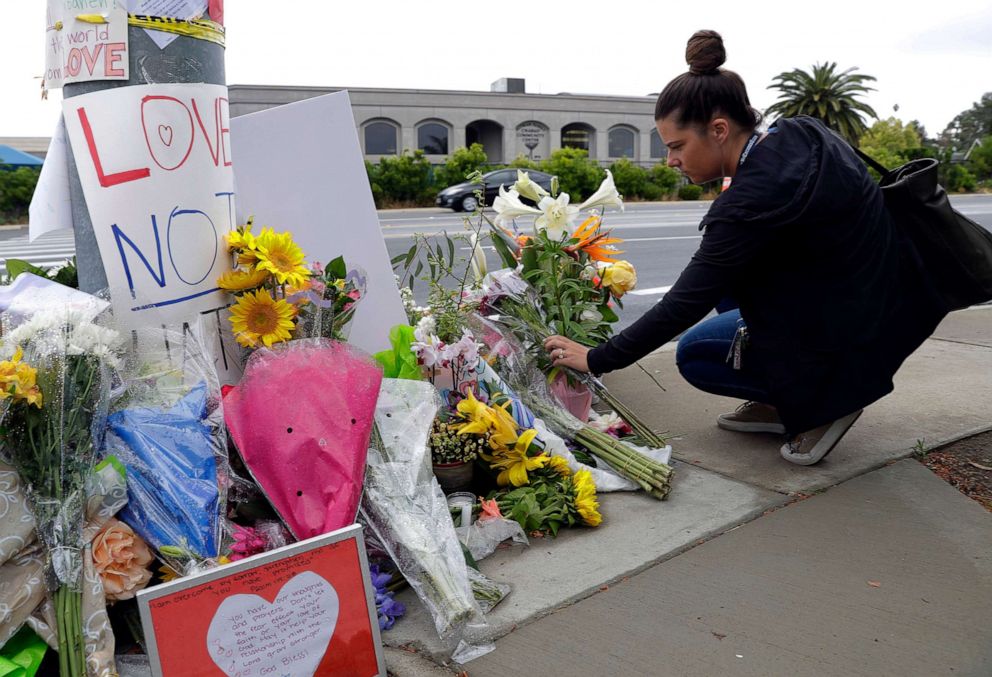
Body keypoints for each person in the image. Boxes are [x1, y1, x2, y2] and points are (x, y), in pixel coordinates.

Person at [543, 30, 946, 466]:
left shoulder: (750, 203)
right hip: (891, 303)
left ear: (719, 129)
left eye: (677, 146)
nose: (671, 160)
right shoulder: (803, 134)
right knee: (730, 284)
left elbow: (684, 302)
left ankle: (828, 404)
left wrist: (599, 358)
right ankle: (787, 397)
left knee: (695, 352)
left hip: (850, 334)